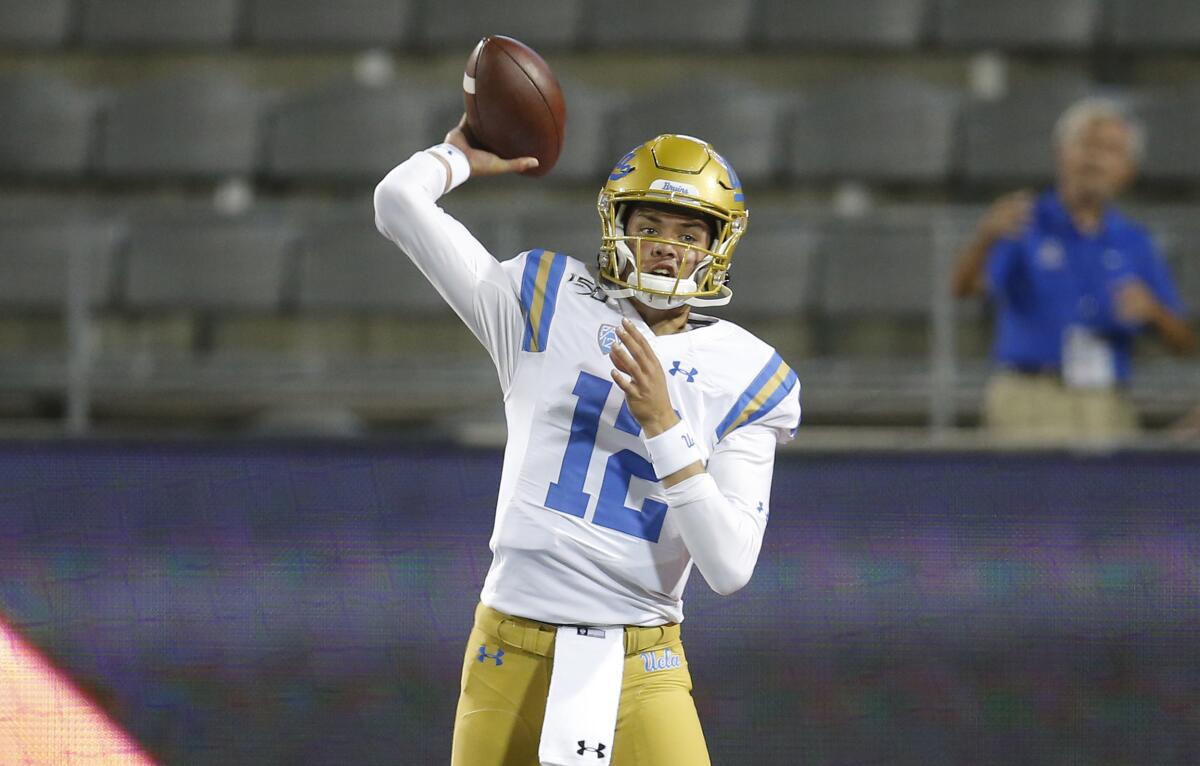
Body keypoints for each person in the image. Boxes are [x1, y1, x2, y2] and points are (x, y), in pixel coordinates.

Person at [373, 122, 800, 765]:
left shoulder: (748, 372)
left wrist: (664, 424)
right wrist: (456, 155)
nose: (666, 249)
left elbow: (730, 567)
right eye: (651, 225)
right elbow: (398, 203)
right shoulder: (545, 299)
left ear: (717, 248)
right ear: (617, 227)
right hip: (510, 643)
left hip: (642, 656)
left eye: (689, 234)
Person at [951, 97, 1195, 442]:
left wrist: (1153, 312)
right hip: (1029, 396)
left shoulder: (1135, 241)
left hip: (1105, 402)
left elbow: (1184, 343)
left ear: (1128, 169)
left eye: (1110, 149)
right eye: (1085, 144)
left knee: (1114, 497)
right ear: (1060, 153)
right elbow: (964, 289)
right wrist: (983, 240)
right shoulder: (1022, 221)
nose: (1094, 158)